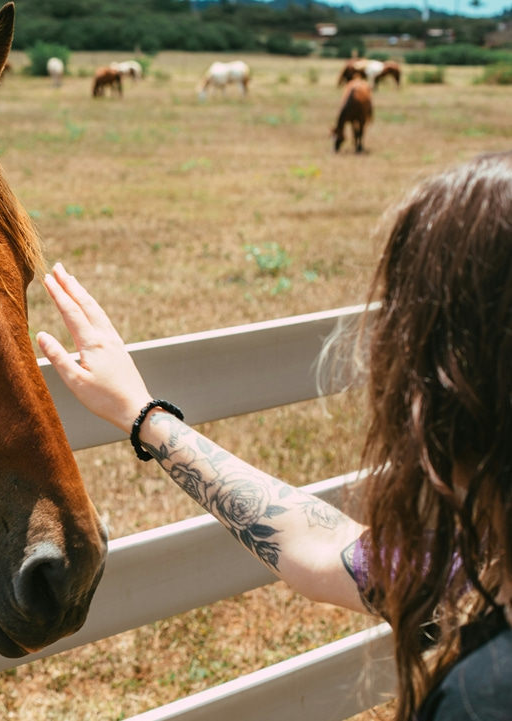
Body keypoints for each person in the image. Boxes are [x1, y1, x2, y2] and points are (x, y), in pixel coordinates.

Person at [36, 151, 512, 721]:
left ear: (442, 389)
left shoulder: (480, 700)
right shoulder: (478, 564)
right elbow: (317, 549)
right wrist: (145, 416)